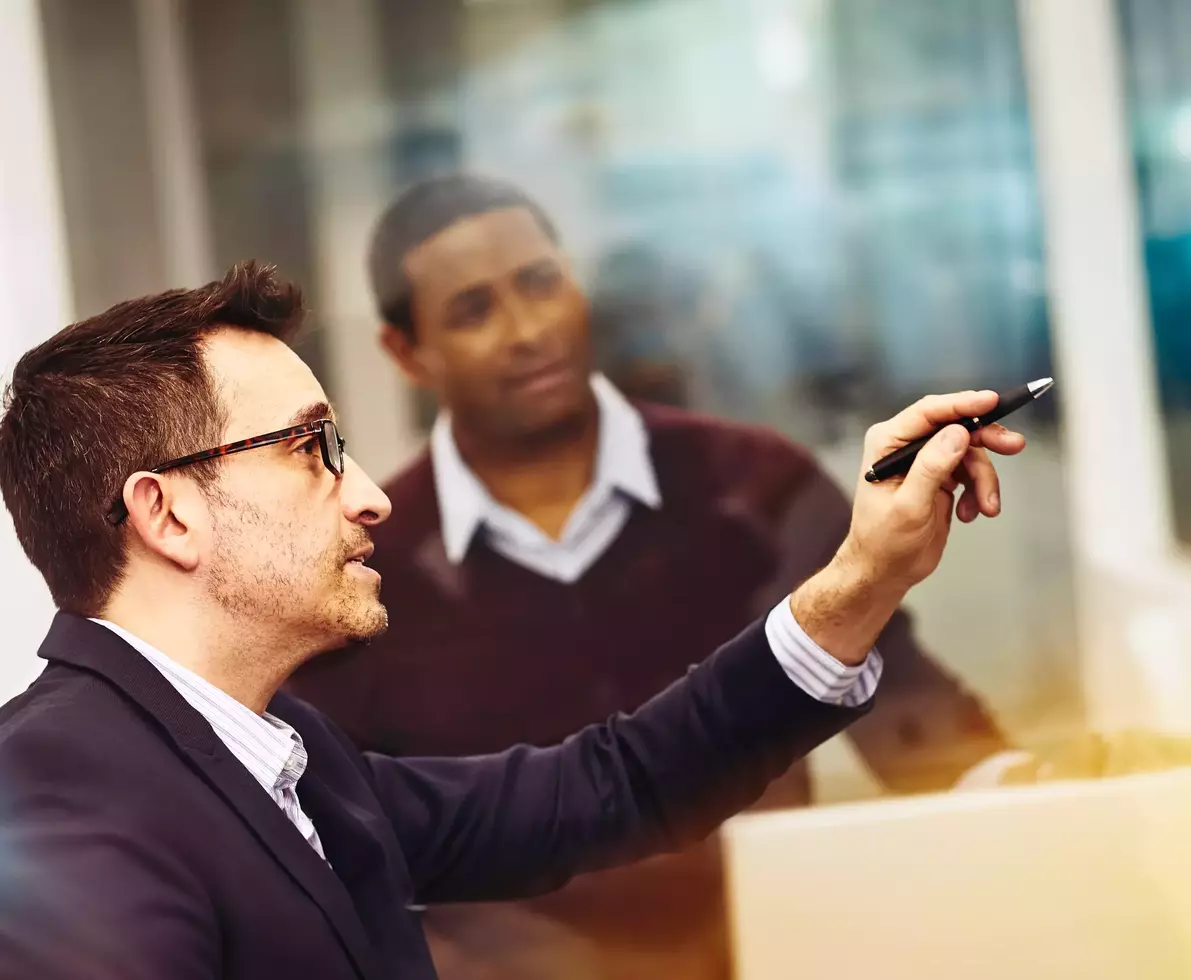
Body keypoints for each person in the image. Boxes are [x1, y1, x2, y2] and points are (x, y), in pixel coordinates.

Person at [0, 261, 1023, 980]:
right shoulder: (54, 801)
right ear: (167, 510)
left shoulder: (290, 751)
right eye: (313, 446)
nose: (370, 494)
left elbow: (609, 786)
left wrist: (861, 576)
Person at [286, 176, 1012, 979]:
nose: (527, 330)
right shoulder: (365, 567)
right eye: (473, 311)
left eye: (539, 284)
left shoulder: (755, 488)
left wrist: (1042, 792)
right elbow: (345, 842)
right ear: (405, 351)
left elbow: (910, 716)